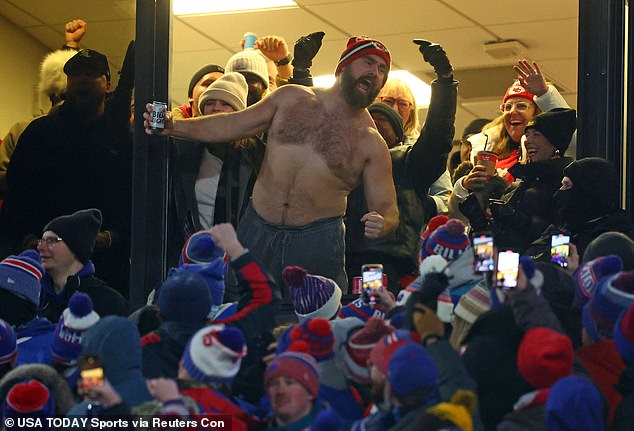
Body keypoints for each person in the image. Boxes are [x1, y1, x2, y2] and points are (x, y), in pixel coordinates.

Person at [145, 36, 399, 300]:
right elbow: (232, 124)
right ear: (343, 67)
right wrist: (176, 126)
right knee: (241, 307)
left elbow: (388, 208)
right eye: (368, 62)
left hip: (316, 239)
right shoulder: (290, 98)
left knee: (312, 320)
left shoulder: (372, 143)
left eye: (382, 70)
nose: (375, 72)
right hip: (258, 226)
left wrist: (383, 223)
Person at [0, 47, 135, 297]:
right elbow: (16, 194)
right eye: (75, 75)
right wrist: (25, 238)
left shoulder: (123, 140)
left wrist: (113, 237)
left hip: (105, 269)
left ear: (107, 84)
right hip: (40, 266)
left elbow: (134, 201)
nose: (82, 80)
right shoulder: (39, 134)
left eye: (91, 74)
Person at [346, 39, 457, 293]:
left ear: (398, 136)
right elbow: (308, 128)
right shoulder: (343, 159)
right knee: (351, 324)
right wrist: (301, 71)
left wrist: (444, 81)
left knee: (381, 322)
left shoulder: (409, 163)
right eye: (371, 121)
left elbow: (438, 134)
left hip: (393, 264)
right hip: (344, 261)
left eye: (384, 123)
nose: (375, 127)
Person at [37, 209, 127, 323]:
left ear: (75, 248)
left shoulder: (107, 301)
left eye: (51, 241)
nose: (40, 247)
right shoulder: (36, 297)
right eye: (42, 241)